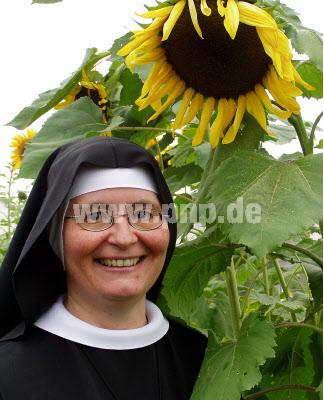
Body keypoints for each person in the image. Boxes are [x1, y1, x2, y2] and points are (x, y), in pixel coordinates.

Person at [0, 136, 207, 400]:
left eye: (144, 214)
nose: (124, 238)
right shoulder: (8, 377)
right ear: (55, 238)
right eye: (95, 216)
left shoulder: (204, 360)